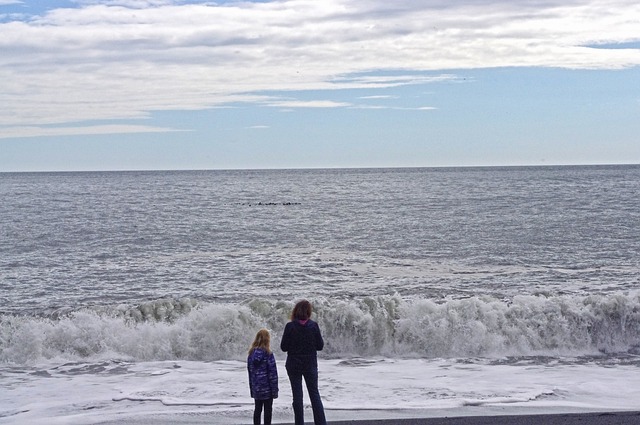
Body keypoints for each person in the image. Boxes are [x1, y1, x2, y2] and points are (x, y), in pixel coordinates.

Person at [280, 300, 327, 425]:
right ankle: (321, 423)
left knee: (297, 397)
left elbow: (283, 347)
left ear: (295, 311)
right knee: (314, 394)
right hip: (310, 363)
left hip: (293, 364)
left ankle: (299, 423)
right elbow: (320, 346)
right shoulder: (313, 326)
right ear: (308, 311)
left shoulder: (290, 326)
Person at [248, 329, 279, 425]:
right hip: (267, 389)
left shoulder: (251, 355)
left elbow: (250, 373)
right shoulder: (268, 354)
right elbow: (273, 374)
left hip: (257, 388)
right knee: (268, 411)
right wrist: (275, 390)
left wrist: (252, 389)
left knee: (257, 410)